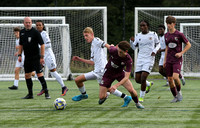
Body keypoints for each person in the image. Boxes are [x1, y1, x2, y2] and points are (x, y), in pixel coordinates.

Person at [72, 27, 132, 107]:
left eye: (87, 35)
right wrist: (80, 59)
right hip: (98, 71)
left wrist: (112, 48)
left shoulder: (96, 40)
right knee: (79, 81)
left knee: (79, 80)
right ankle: (125, 97)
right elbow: (92, 62)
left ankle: (85, 95)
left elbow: (105, 45)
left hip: (102, 71)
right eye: (84, 36)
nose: (85, 38)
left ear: (92, 34)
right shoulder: (92, 46)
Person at [99, 41, 144, 109]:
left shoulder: (128, 60)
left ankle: (137, 103)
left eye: (121, 52)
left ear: (126, 51)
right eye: (118, 51)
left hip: (120, 74)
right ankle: (107, 93)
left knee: (131, 90)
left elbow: (126, 77)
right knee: (101, 97)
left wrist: (116, 86)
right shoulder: (113, 50)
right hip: (108, 74)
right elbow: (107, 45)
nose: (119, 53)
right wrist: (110, 45)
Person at [18, 17, 50, 99]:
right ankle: (30, 94)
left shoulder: (35, 32)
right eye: (26, 22)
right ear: (23, 23)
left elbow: (42, 45)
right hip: (27, 58)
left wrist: (42, 57)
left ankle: (46, 92)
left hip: (36, 57)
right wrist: (19, 55)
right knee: (27, 75)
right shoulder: (21, 32)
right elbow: (21, 45)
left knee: (39, 74)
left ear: (31, 23)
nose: (28, 24)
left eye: (29, 22)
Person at [130, 20, 160, 103]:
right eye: (141, 26)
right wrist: (131, 42)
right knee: (137, 79)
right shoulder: (138, 35)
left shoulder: (153, 34)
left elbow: (158, 44)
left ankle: (141, 97)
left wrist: (155, 50)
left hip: (149, 59)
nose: (142, 27)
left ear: (148, 26)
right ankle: (148, 84)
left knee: (143, 78)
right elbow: (134, 47)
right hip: (140, 59)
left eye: (144, 25)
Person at [35, 20, 68, 96]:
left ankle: (64, 87)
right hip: (41, 56)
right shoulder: (37, 34)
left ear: (43, 26)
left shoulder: (44, 34)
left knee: (53, 72)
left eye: (40, 25)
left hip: (48, 56)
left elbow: (48, 45)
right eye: (37, 25)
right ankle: (44, 88)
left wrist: (39, 47)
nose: (38, 26)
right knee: (37, 72)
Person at [164, 16, 191, 103]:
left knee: (175, 77)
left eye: (170, 24)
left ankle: (179, 92)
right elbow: (167, 48)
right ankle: (175, 96)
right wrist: (164, 60)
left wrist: (181, 53)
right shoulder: (166, 35)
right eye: (167, 24)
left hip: (177, 60)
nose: (168, 26)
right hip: (169, 59)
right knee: (170, 79)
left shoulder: (179, 34)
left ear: (174, 24)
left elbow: (188, 44)